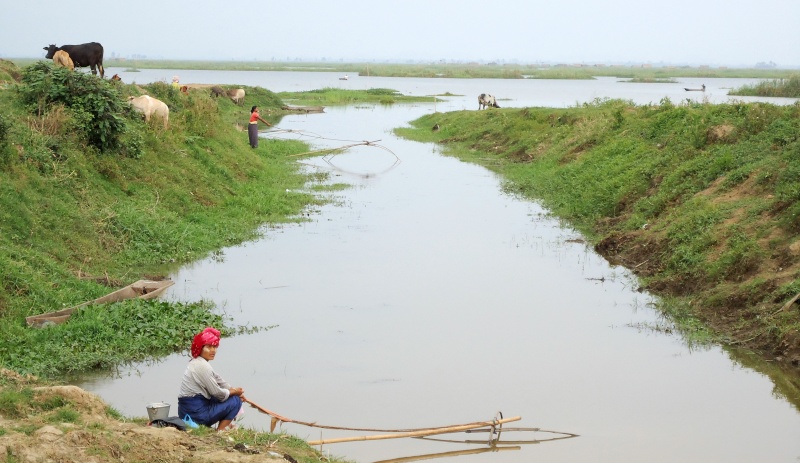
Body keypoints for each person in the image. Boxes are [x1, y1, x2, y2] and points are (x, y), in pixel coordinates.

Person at [177, 327, 245, 431]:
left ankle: (222, 427)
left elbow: (218, 379)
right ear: (200, 348)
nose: (213, 350)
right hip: (196, 415)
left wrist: (235, 390)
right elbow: (218, 393)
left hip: (186, 412)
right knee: (235, 401)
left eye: (214, 347)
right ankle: (221, 430)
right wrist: (234, 392)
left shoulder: (197, 362)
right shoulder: (203, 366)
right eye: (208, 347)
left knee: (232, 396)